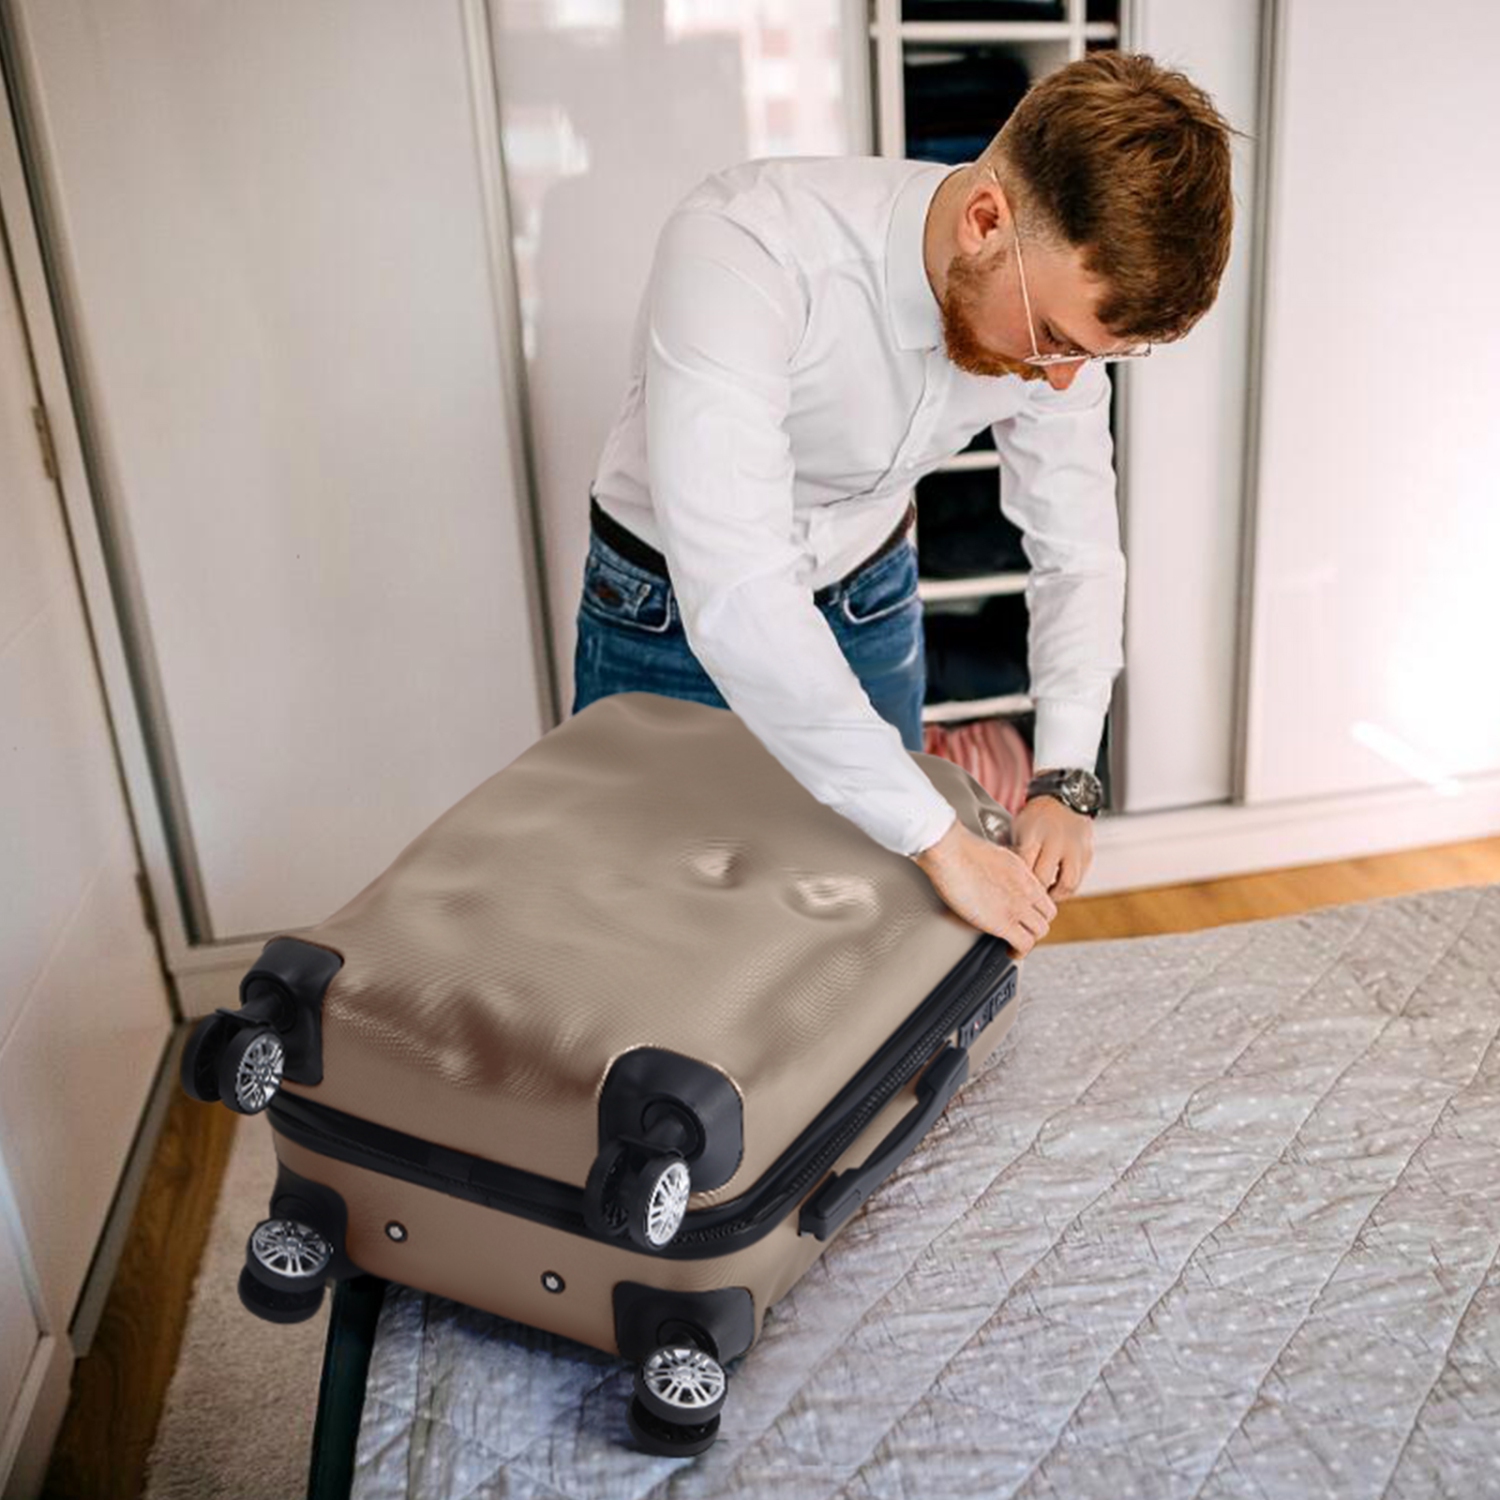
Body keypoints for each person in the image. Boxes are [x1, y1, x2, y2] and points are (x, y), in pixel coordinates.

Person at [572, 51, 1233, 955]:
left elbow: (1075, 544)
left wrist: (1066, 771)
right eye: (1054, 340)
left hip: (869, 594)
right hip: (667, 611)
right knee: (654, 935)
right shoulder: (743, 248)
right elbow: (736, 587)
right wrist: (937, 838)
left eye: (1101, 357)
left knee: (864, 943)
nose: (1067, 378)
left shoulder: (1057, 324)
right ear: (986, 219)